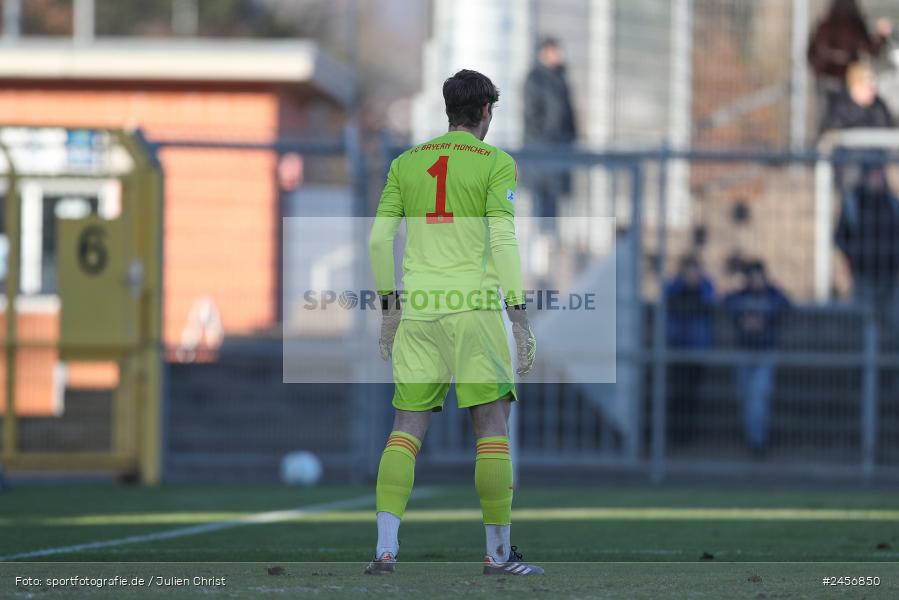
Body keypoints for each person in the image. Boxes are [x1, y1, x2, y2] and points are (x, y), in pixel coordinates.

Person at [367, 69, 541, 576]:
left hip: (419, 312)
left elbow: (379, 241)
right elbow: (504, 241)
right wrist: (519, 314)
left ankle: (384, 549)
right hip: (474, 311)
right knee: (490, 429)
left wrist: (389, 308)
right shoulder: (496, 163)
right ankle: (499, 555)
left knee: (404, 430)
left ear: (449, 110)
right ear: (486, 111)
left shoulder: (406, 163)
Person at [723, 261, 790, 456]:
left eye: (759, 277)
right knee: (745, 396)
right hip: (744, 352)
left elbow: (785, 304)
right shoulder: (741, 295)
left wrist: (765, 317)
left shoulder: (772, 294)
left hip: (765, 353)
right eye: (752, 277)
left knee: (758, 396)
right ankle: (752, 435)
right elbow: (727, 301)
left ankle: (757, 441)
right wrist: (744, 316)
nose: (756, 281)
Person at [808, 0, 892, 129]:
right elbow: (870, 49)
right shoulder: (854, 25)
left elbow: (811, 54)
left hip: (826, 80)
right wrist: (881, 36)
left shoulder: (824, 26)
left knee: (827, 118)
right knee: (847, 117)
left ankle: (825, 143)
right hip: (845, 80)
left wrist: (819, 71)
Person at [835, 163, 899, 330]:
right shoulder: (853, 203)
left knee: (893, 322)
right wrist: (855, 258)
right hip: (864, 276)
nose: (877, 179)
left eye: (880, 174)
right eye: (874, 175)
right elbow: (840, 237)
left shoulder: (892, 204)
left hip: (891, 277)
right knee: (865, 324)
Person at [523, 36, 577, 224]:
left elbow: (568, 114)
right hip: (541, 154)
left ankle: (550, 244)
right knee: (541, 205)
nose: (558, 55)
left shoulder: (561, 78)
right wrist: (548, 140)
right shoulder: (534, 79)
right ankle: (541, 245)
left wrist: (570, 139)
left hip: (560, 152)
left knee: (554, 206)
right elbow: (532, 117)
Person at [665, 256, 716, 446]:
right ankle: (674, 434)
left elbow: (710, 299)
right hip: (677, 350)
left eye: (694, 271)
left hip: (696, 351)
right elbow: (666, 295)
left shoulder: (705, 289)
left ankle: (687, 434)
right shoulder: (674, 289)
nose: (691, 276)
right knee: (677, 393)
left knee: (691, 394)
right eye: (688, 271)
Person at [820, 62, 893, 135]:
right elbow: (833, 134)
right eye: (868, 87)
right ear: (855, 87)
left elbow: (886, 132)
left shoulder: (879, 106)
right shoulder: (838, 107)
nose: (873, 91)